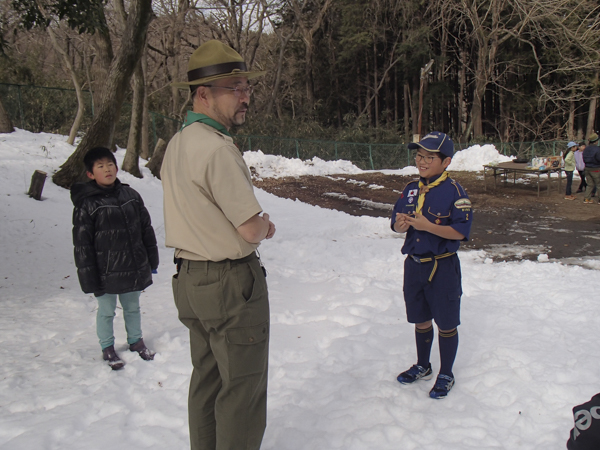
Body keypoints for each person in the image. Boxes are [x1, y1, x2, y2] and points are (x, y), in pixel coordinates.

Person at [161, 40, 276, 450]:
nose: (245, 96)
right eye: (234, 88)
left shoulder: (179, 142)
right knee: (241, 392)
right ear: (203, 94)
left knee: (207, 383)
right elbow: (249, 228)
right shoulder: (216, 148)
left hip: (191, 283)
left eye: (246, 86)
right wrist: (267, 225)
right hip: (229, 286)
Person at [391, 131, 472, 399]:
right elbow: (395, 220)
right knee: (420, 319)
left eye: (429, 157)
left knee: (446, 322)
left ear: (446, 161)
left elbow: (460, 232)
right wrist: (398, 226)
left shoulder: (455, 192)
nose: (422, 161)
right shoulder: (410, 188)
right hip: (414, 265)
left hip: (443, 267)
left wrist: (429, 227)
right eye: (419, 155)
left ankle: (446, 372)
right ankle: (423, 365)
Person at [71, 147, 158, 370]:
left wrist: (151, 260)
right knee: (107, 311)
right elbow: (82, 245)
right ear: (90, 174)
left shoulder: (131, 196)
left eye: (110, 164)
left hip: (132, 266)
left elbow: (146, 230)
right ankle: (107, 348)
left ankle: (136, 342)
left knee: (132, 307)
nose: (107, 169)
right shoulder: (87, 204)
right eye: (100, 166)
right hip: (104, 272)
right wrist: (89, 277)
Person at [583, 133, 600, 204]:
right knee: (598, 184)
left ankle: (587, 198)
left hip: (587, 168)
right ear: (596, 141)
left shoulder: (586, 149)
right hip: (596, 168)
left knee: (590, 184)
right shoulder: (597, 149)